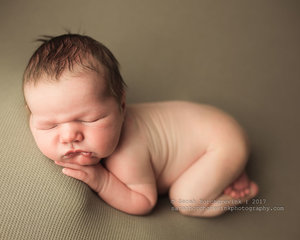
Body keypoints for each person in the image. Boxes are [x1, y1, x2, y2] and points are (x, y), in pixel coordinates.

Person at [23, 33, 259, 217]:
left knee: (186, 201)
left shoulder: (126, 152)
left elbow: (144, 202)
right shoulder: (81, 127)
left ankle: (241, 190)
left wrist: (102, 180)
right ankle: (226, 170)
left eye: (90, 120)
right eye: (50, 125)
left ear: (121, 106)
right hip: (207, 124)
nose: (69, 136)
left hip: (221, 142)